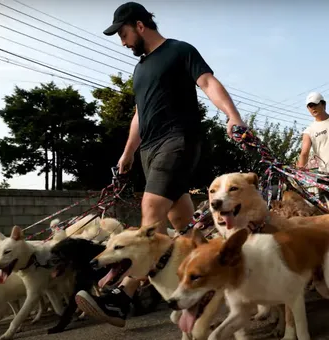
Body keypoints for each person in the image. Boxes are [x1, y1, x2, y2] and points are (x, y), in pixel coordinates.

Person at [74, 2, 247, 327]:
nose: (122, 42)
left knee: (149, 217)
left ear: (140, 26)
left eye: (123, 34)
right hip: (149, 151)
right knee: (184, 227)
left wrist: (233, 117)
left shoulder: (179, 50)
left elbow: (208, 82)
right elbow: (140, 115)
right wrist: (127, 153)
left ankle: (120, 299)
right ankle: (229, 272)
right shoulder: (140, 70)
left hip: (178, 140)